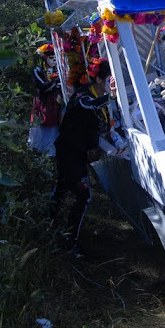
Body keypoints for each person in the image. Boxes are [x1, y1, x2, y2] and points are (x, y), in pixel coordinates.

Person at [51, 58, 116, 257]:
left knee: (62, 188)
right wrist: (113, 96)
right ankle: (71, 243)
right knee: (84, 196)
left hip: (75, 151)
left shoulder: (91, 94)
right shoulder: (82, 96)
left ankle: (49, 223)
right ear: (98, 79)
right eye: (108, 83)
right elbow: (92, 106)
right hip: (69, 152)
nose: (108, 88)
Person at [28, 43, 62, 156]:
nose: (54, 61)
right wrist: (55, 82)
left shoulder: (59, 70)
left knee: (53, 139)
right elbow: (42, 86)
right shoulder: (38, 70)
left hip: (55, 108)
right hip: (42, 107)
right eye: (51, 58)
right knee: (37, 139)